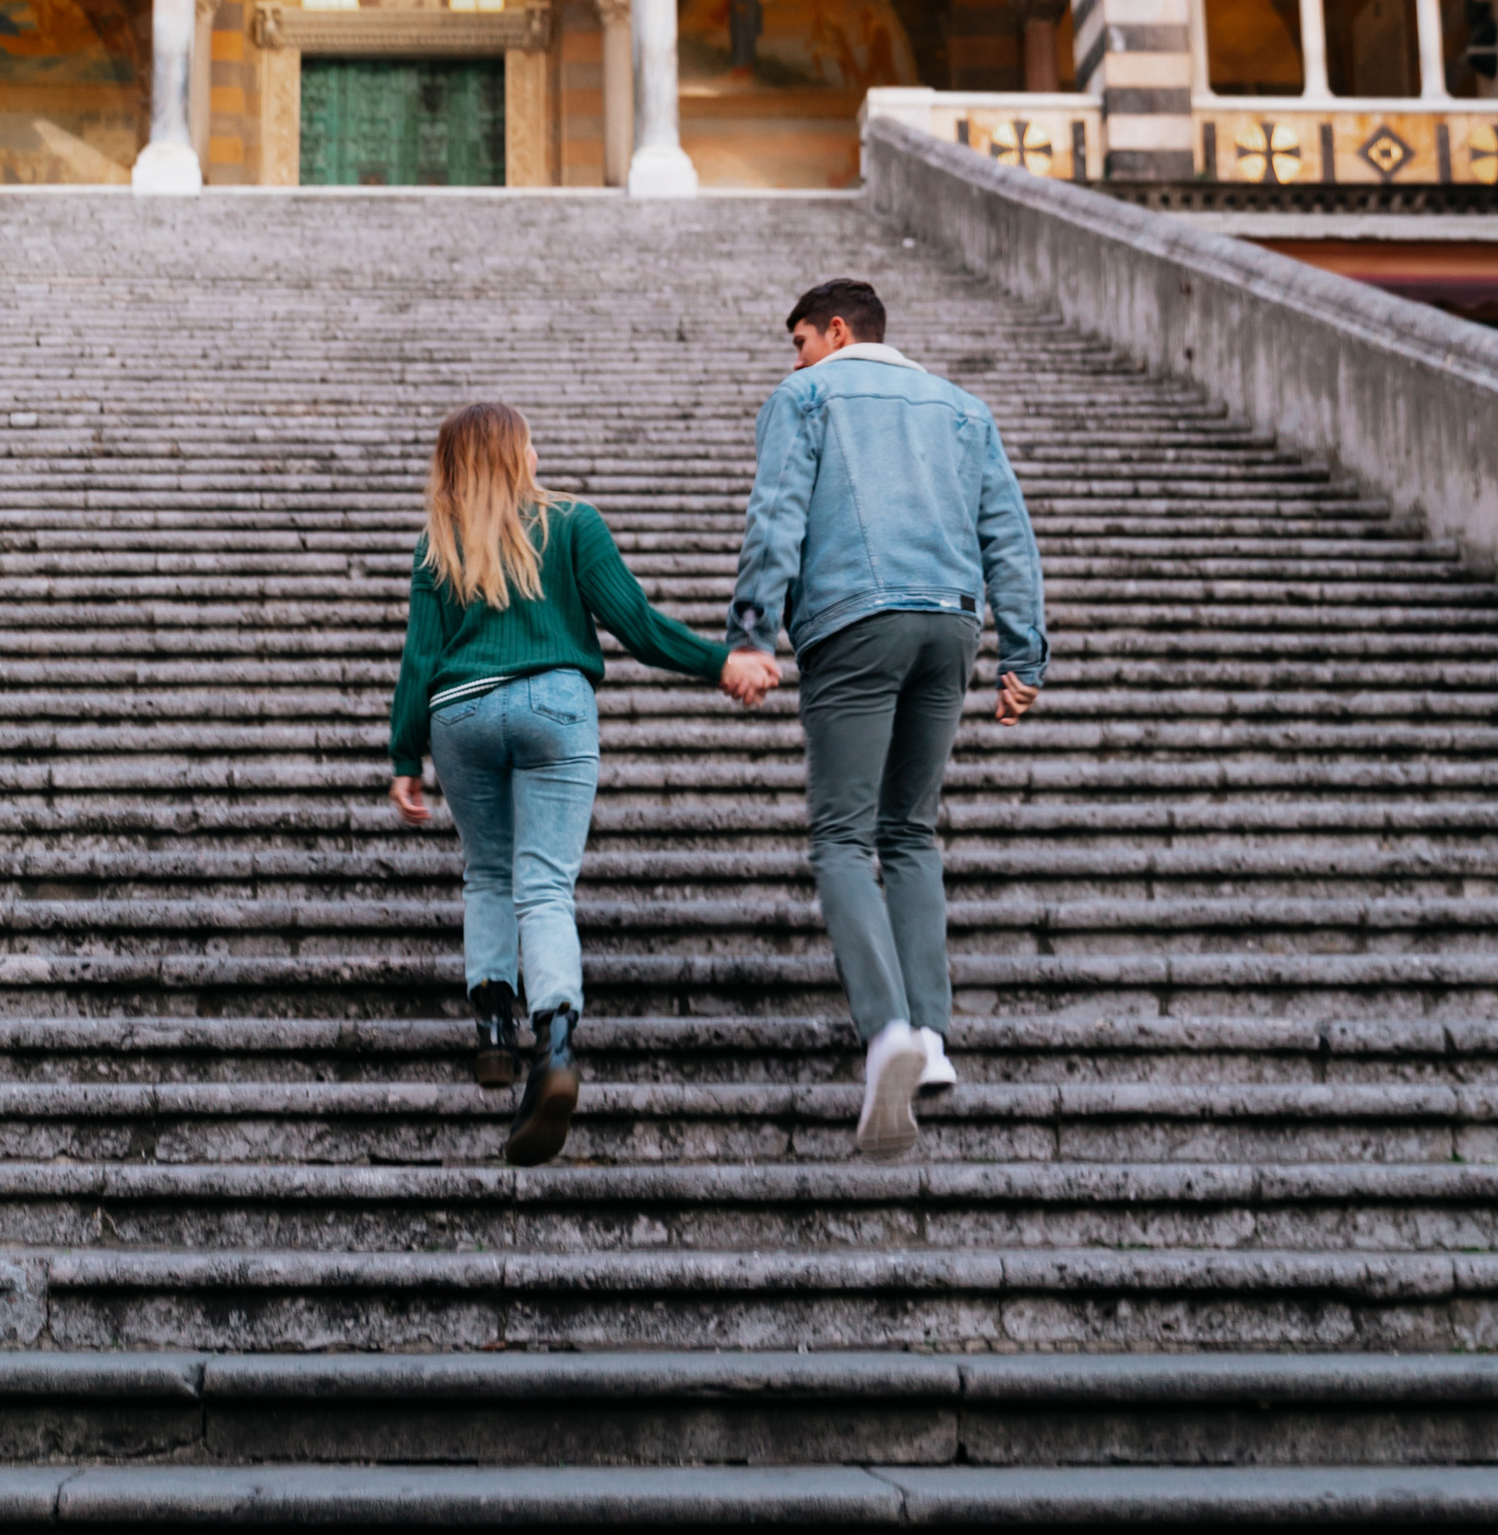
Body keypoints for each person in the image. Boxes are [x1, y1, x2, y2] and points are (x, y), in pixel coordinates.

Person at [390, 400, 777, 1165]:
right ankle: (556, 1041)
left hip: (460, 713)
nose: (538, 455)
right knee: (543, 885)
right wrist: (721, 662)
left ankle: (493, 1028)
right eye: (530, 444)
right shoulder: (572, 522)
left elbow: (419, 659)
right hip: (554, 706)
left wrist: (405, 757)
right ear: (516, 455)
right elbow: (636, 625)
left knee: (488, 872)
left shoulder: (439, 541)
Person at [728, 276, 1047, 1162]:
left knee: (841, 836)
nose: (794, 360)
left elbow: (776, 515)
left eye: (799, 341)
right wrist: (1023, 657)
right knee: (909, 831)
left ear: (835, 331)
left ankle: (888, 1032)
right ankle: (933, 1039)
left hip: (854, 622)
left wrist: (752, 632)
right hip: (951, 627)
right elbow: (1009, 535)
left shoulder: (806, 397)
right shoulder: (963, 409)